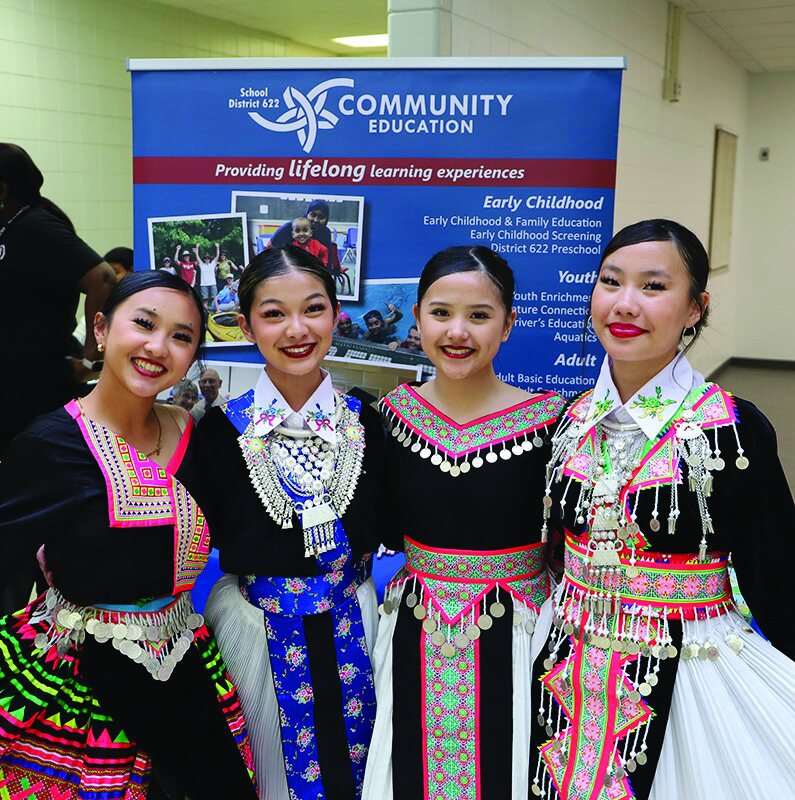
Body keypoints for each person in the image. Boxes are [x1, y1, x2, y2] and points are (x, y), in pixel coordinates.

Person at [528, 219, 795, 800]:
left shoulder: (734, 428)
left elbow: (777, 575)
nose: (625, 304)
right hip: (565, 671)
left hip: (690, 672)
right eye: (610, 281)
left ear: (696, 308)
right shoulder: (570, 419)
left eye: (653, 286)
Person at [0, 270, 257, 799]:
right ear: (100, 328)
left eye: (181, 336)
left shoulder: (191, 431)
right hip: (81, 679)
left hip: (186, 661)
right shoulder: (51, 445)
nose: (158, 347)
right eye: (144, 323)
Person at [362, 246, 566, 800]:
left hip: (523, 629)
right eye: (440, 312)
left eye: (478, 315)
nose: (457, 331)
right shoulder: (390, 418)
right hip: (415, 624)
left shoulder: (552, 422)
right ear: (417, 318)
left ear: (508, 324)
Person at [193, 245, 386, 800]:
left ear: (336, 316)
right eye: (274, 313)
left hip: (357, 622)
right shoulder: (219, 432)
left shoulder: (368, 421)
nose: (297, 329)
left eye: (313, 309)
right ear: (246, 326)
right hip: (254, 630)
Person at [0, 143, 116, 613]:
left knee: (29, 516)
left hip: (34, 389)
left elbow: (103, 277)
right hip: (13, 387)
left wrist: (91, 355)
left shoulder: (35, 226)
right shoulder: (11, 228)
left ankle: (49, 618)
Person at [270, 199, 342, 275]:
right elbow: (272, 250)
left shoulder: (325, 232)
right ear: (307, 214)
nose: (316, 220)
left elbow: (328, 259)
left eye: (321, 217)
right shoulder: (290, 227)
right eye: (313, 215)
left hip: (312, 272)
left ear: (326, 220)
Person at [195, 242, 220, 309]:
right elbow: (197, 257)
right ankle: (206, 311)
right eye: (205, 258)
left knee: (215, 298)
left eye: (208, 258)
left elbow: (217, 256)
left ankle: (217, 309)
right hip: (204, 284)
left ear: (209, 259)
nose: (207, 259)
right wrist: (197, 248)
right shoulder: (202, 265)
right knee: (205, 299)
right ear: (204, 259)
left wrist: (217, 247)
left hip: (212, 283)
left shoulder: (212, 264)